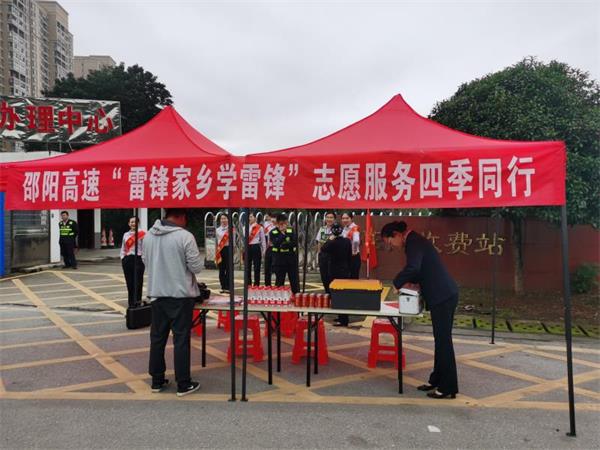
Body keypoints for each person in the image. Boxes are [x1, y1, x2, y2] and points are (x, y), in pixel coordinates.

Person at [381, 220, 459, 399]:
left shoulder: (413, 242)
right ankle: (436, 380)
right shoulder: (415, 241)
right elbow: (419, 269)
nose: (392, 246)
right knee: (440, 341)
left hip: (443, 296)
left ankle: (448, 387)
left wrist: (397, 282)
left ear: (397, 234)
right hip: (443, 295)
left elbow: (413, 267)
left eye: (390, 241)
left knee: (443, 342)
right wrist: (410, 281)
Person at [143, 208, 202, 397]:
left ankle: (157, 381)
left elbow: (145, 261)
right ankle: (183, 383)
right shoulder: (185, 236)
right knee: (181, 340)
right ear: (181, 217)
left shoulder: (148, 237)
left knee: (157, 339)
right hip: (180, 296)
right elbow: (196, 267)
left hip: (157, 294)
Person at [336, 212, 361, 326]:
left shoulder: (354, 228)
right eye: (343, 218)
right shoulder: (344, 229)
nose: (345, 220)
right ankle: (346, 311)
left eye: (347, 218)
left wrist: (354, 251)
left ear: (351, 218)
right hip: (346, 257)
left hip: (353, 257)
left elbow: (356, 241)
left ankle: (352, 307)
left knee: (352, 282)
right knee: (346, 283)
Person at [269, 213, 299, 293]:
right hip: (279, 259)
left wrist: (284, 245)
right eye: (281, 224)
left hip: (291, 258)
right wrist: (282, 234)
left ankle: (296, 294)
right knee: (279, 280)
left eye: (285, 223)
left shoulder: (291, 230)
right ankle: (279, 296)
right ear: (277, 223)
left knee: (294, 279)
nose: (284, 225)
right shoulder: (273, 232)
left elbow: (294, 243)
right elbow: (276, 243)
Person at [120, 216, 145, 307]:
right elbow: (123, 248)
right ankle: (131, 304)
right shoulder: (125, 235)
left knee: (138, 282)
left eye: (135, 222)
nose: (133, 224)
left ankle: (137, 302)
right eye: (131, 222)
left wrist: (143, 260)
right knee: (129, 283)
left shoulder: (142, 234)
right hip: (127, 260)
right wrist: (123, 258)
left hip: (138, 259)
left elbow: (145, 248)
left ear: (138, 223)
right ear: (129, 223)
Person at [320, 222, 352, 292]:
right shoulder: (347, 241)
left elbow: (323, 249)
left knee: (334, 290)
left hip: (333, 270)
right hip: (344, 269)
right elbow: (350, 256)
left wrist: (329, 240)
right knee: (343, 289)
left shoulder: (331, 243)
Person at [316, 212, 336, 293]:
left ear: (334, 219)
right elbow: (319, 242)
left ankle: (333, 294)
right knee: (324, 276)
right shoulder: (322, 229)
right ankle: (327, 293)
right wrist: (319, 254)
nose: (329, 219)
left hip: (333, 255)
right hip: (323, 256)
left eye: (331, 217)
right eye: (327, 217)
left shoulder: (336, 229)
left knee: (332, 275)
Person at [246, 212, 266, 286]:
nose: (249, 218)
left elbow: (263, 240)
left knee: (257, 266)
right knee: (247, 266)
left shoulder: (259, 227)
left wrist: (264, 250)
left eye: (251, 217)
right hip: (248, 247)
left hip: (256, 246)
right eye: (249, 217)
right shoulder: (245, 227)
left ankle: (256, 283)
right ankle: (248, 283)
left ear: (255, 218)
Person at [215, 213, 232, 293]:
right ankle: (223, 286)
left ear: (228, 219)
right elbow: (215, 241)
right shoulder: (217, 230)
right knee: (221, 269)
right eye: (222, 218)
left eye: (225, 218)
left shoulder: (231, 229)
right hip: (220, 250)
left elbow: (234, 241)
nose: (223, 220)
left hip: (228, 249)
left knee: (228, 269)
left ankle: (228, 287)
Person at [263, 213, 277, 286]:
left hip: (277, 249)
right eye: (272, 218)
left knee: (277, 268)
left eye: (274, 218)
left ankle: (278, 285)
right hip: (269, 248)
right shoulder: (267, 225)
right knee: (267, 268)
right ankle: (267, 285)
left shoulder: (280, 226)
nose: (273, 219)